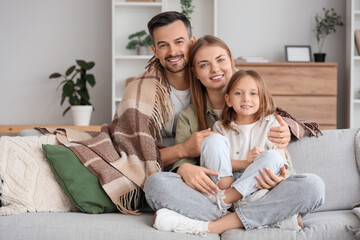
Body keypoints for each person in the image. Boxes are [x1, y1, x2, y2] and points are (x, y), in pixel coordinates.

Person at [145, 35, 325, 235]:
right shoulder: (190, 118)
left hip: (256, 192)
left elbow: (280, 161)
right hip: (212, 192)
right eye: (204, 65)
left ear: (231, 62)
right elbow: (185, 166)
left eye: (221, 60)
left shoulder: (269, 117)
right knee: (155, 184)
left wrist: (280, 178)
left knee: (313, 186)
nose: (215, 69)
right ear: (195, 73)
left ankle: (211, 225)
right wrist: (184, 168)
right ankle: (269, 218)